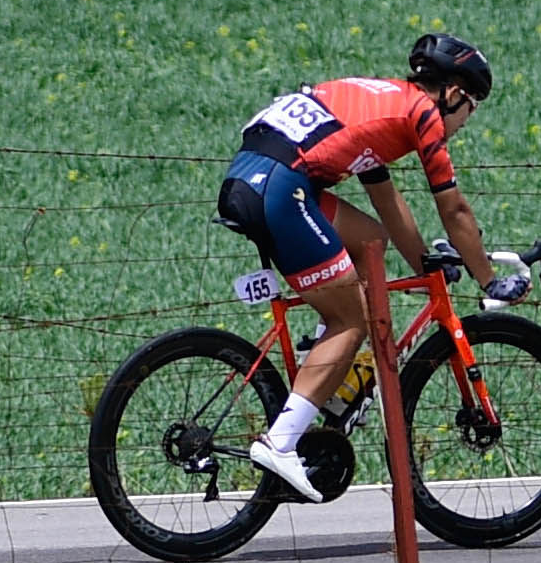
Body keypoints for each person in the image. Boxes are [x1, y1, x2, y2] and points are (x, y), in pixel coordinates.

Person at [218, 32, 514, 501]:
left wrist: (424, 268)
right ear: (455, 93)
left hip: (257, 176)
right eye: (471, 109)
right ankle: (281, 441)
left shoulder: (382, 101)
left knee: (370, 239)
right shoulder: (422, 116)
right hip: (281, 190)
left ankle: (326, 362)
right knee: (351, 318)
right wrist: (491, 280)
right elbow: (454, 211)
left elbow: (386, 206)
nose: (465, 121)